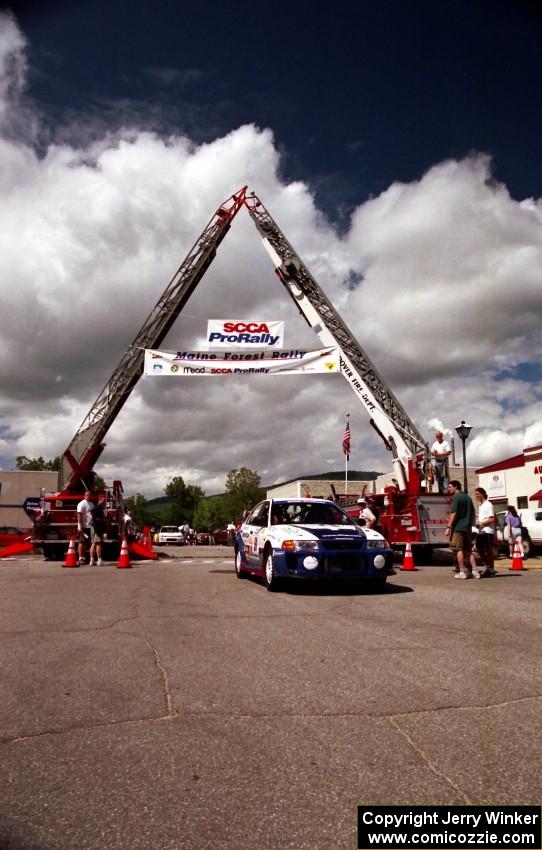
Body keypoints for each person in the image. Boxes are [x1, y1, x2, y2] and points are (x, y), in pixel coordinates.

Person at [445, 480, 478, 579]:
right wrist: (471, 524)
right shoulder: (468, 497)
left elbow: (453, 513)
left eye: (450, 487)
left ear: (456, 487)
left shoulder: (456, 498)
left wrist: (448, 527)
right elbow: (473, 513)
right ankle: (475, 571)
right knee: (468, 550)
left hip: (458, 528)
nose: (448, 489)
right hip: (467, 528)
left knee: (458, 549)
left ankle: (462, 571)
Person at [473, 487, 497, 577]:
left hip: (487, 531)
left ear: (483, 494)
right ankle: (488, 567)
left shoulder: (488, 504)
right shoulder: (481, 505)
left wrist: (481, 523)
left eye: (478, 494)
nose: (476, 496)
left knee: (488, 551)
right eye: (475, 494)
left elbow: (492, 518)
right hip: (481, 531)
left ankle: (491, 569)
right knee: (479, 549)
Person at [77, 489, 95, 565]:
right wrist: (80, 525)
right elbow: (79, 514)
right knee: (82, 542)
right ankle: (81, 558)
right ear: (84, 496)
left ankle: (87, 558)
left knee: (90, 542)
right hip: (84, 526)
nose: (88, 496)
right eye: (87, 495)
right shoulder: (82, 504)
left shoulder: (92, 504)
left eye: (89, 495)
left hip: (90, 526)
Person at [89, 498, 106, 566]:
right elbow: (96, 520)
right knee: (98, 544)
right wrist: (99, 531)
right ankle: (99, 560)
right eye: (103, 501)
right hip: (97, 528)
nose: (104, 502)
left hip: (93, 528)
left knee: (93, 543)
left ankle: (92, 560)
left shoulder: (94, 509)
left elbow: (90, 515)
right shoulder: (98, 509)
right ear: (99, 500)